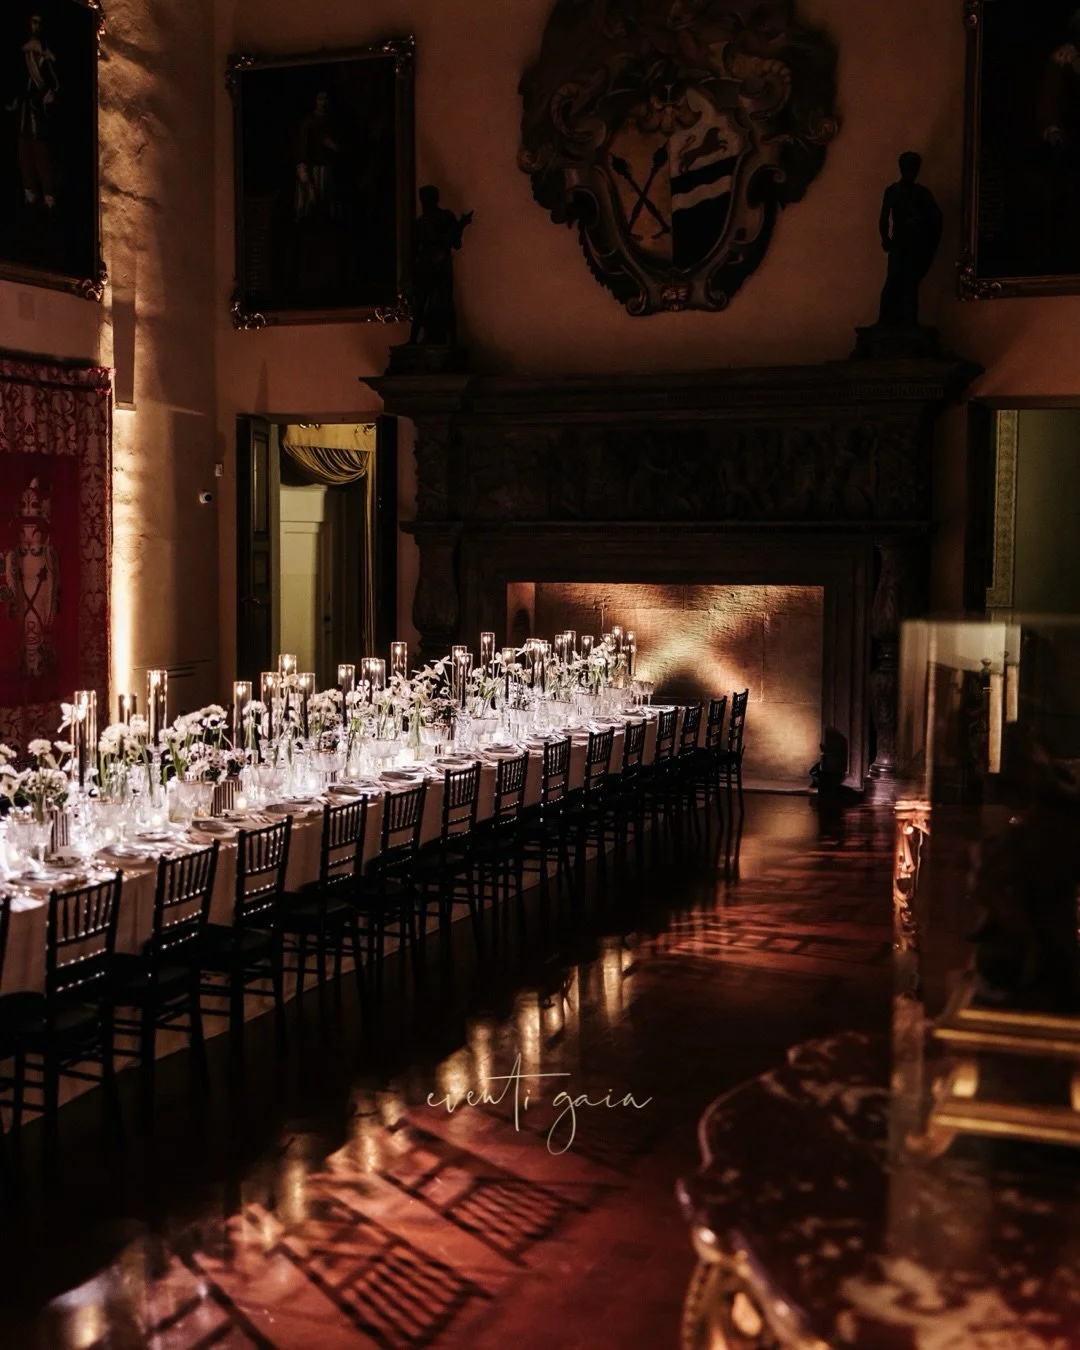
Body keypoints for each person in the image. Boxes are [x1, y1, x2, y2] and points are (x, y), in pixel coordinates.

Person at [876, 152, 942, 326]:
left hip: (915, 243)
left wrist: (921, 223)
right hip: (900, 241)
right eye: (909, 167)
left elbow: (936, 217)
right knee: (893, 280)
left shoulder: (922, 193)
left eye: (915, 168)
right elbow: (884, 217)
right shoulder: (893, 191)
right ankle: (885, 321)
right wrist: (886, 238)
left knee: (911, 283)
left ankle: (909, 321)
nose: (912, 171)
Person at [6, 12, 60, 211]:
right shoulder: (24, 54)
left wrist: (51, 95)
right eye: (33, 22)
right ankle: (29, 194)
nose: (35, 26)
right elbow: (18, 82)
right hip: (24, 113)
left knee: (42, 156)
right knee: (24, 153)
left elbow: (55, 84)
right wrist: (14, 101)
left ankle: (49, 197)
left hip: (40, 115)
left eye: (38, 22)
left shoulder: (47, 57)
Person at [408, 185, 473, 346]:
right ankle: (419, 339)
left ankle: (449, 340)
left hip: (436, 263)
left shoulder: (433, 219)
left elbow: (455, 243)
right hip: (429, 264)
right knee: (425, 302)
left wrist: (461, 226)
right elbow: (455, 242)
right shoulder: (423, 222)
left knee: (440, 302)